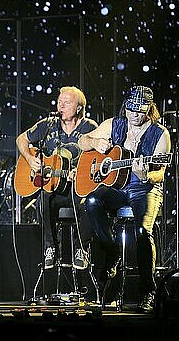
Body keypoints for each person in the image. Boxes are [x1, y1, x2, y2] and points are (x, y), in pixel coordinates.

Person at [78, 85, 170, 313]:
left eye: (139, 111)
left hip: (144, 188)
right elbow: (82, 141)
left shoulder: (160, 134)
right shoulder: (114, 124)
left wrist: (145, 174)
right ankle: (112, 251)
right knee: (91, 201)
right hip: (118, 188)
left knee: (142, 231)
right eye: (130, 110)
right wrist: (94, 143)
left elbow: (160, 173)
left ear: (149, 110)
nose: (133, 115)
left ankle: (148, 291)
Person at [16, 86, 98, 272]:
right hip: (54, 186)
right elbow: (21, 139)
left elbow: (99, 157)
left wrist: (81, 172)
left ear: (78, 108)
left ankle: (81, 249)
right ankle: (50, 248)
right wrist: (30, 159)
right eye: (59, 101)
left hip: (78, 188)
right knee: (44, 199)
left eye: (66, 103)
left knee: (87, 201)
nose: (60, 106)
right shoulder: (48, 125)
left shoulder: (90, 128)